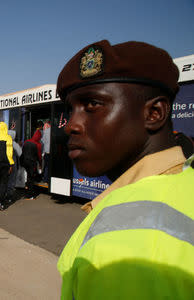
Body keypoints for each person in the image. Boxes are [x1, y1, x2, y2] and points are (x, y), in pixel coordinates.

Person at [56, 40, 194, 299]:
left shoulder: (126, 244)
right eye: (71, 110)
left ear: (154, 113)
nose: (70, 125)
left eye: (92, 105)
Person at [21, 128, 42, 200]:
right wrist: (40, 164)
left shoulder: (26, 141)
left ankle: (27, 189)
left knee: (28, 176)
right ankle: (30, 195)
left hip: (25, 162)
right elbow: (39, 157)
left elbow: (22, 152)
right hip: (32, 163)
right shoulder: (38, 144)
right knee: (31, 177)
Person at [6, 130, 22, 203]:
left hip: (4, 164)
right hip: (13, 164)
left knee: (5, 180)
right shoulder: (14, 144)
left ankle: (3, 195)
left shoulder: (4, 142)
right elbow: (20, 153)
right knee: (11, 180)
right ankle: (9, 197)